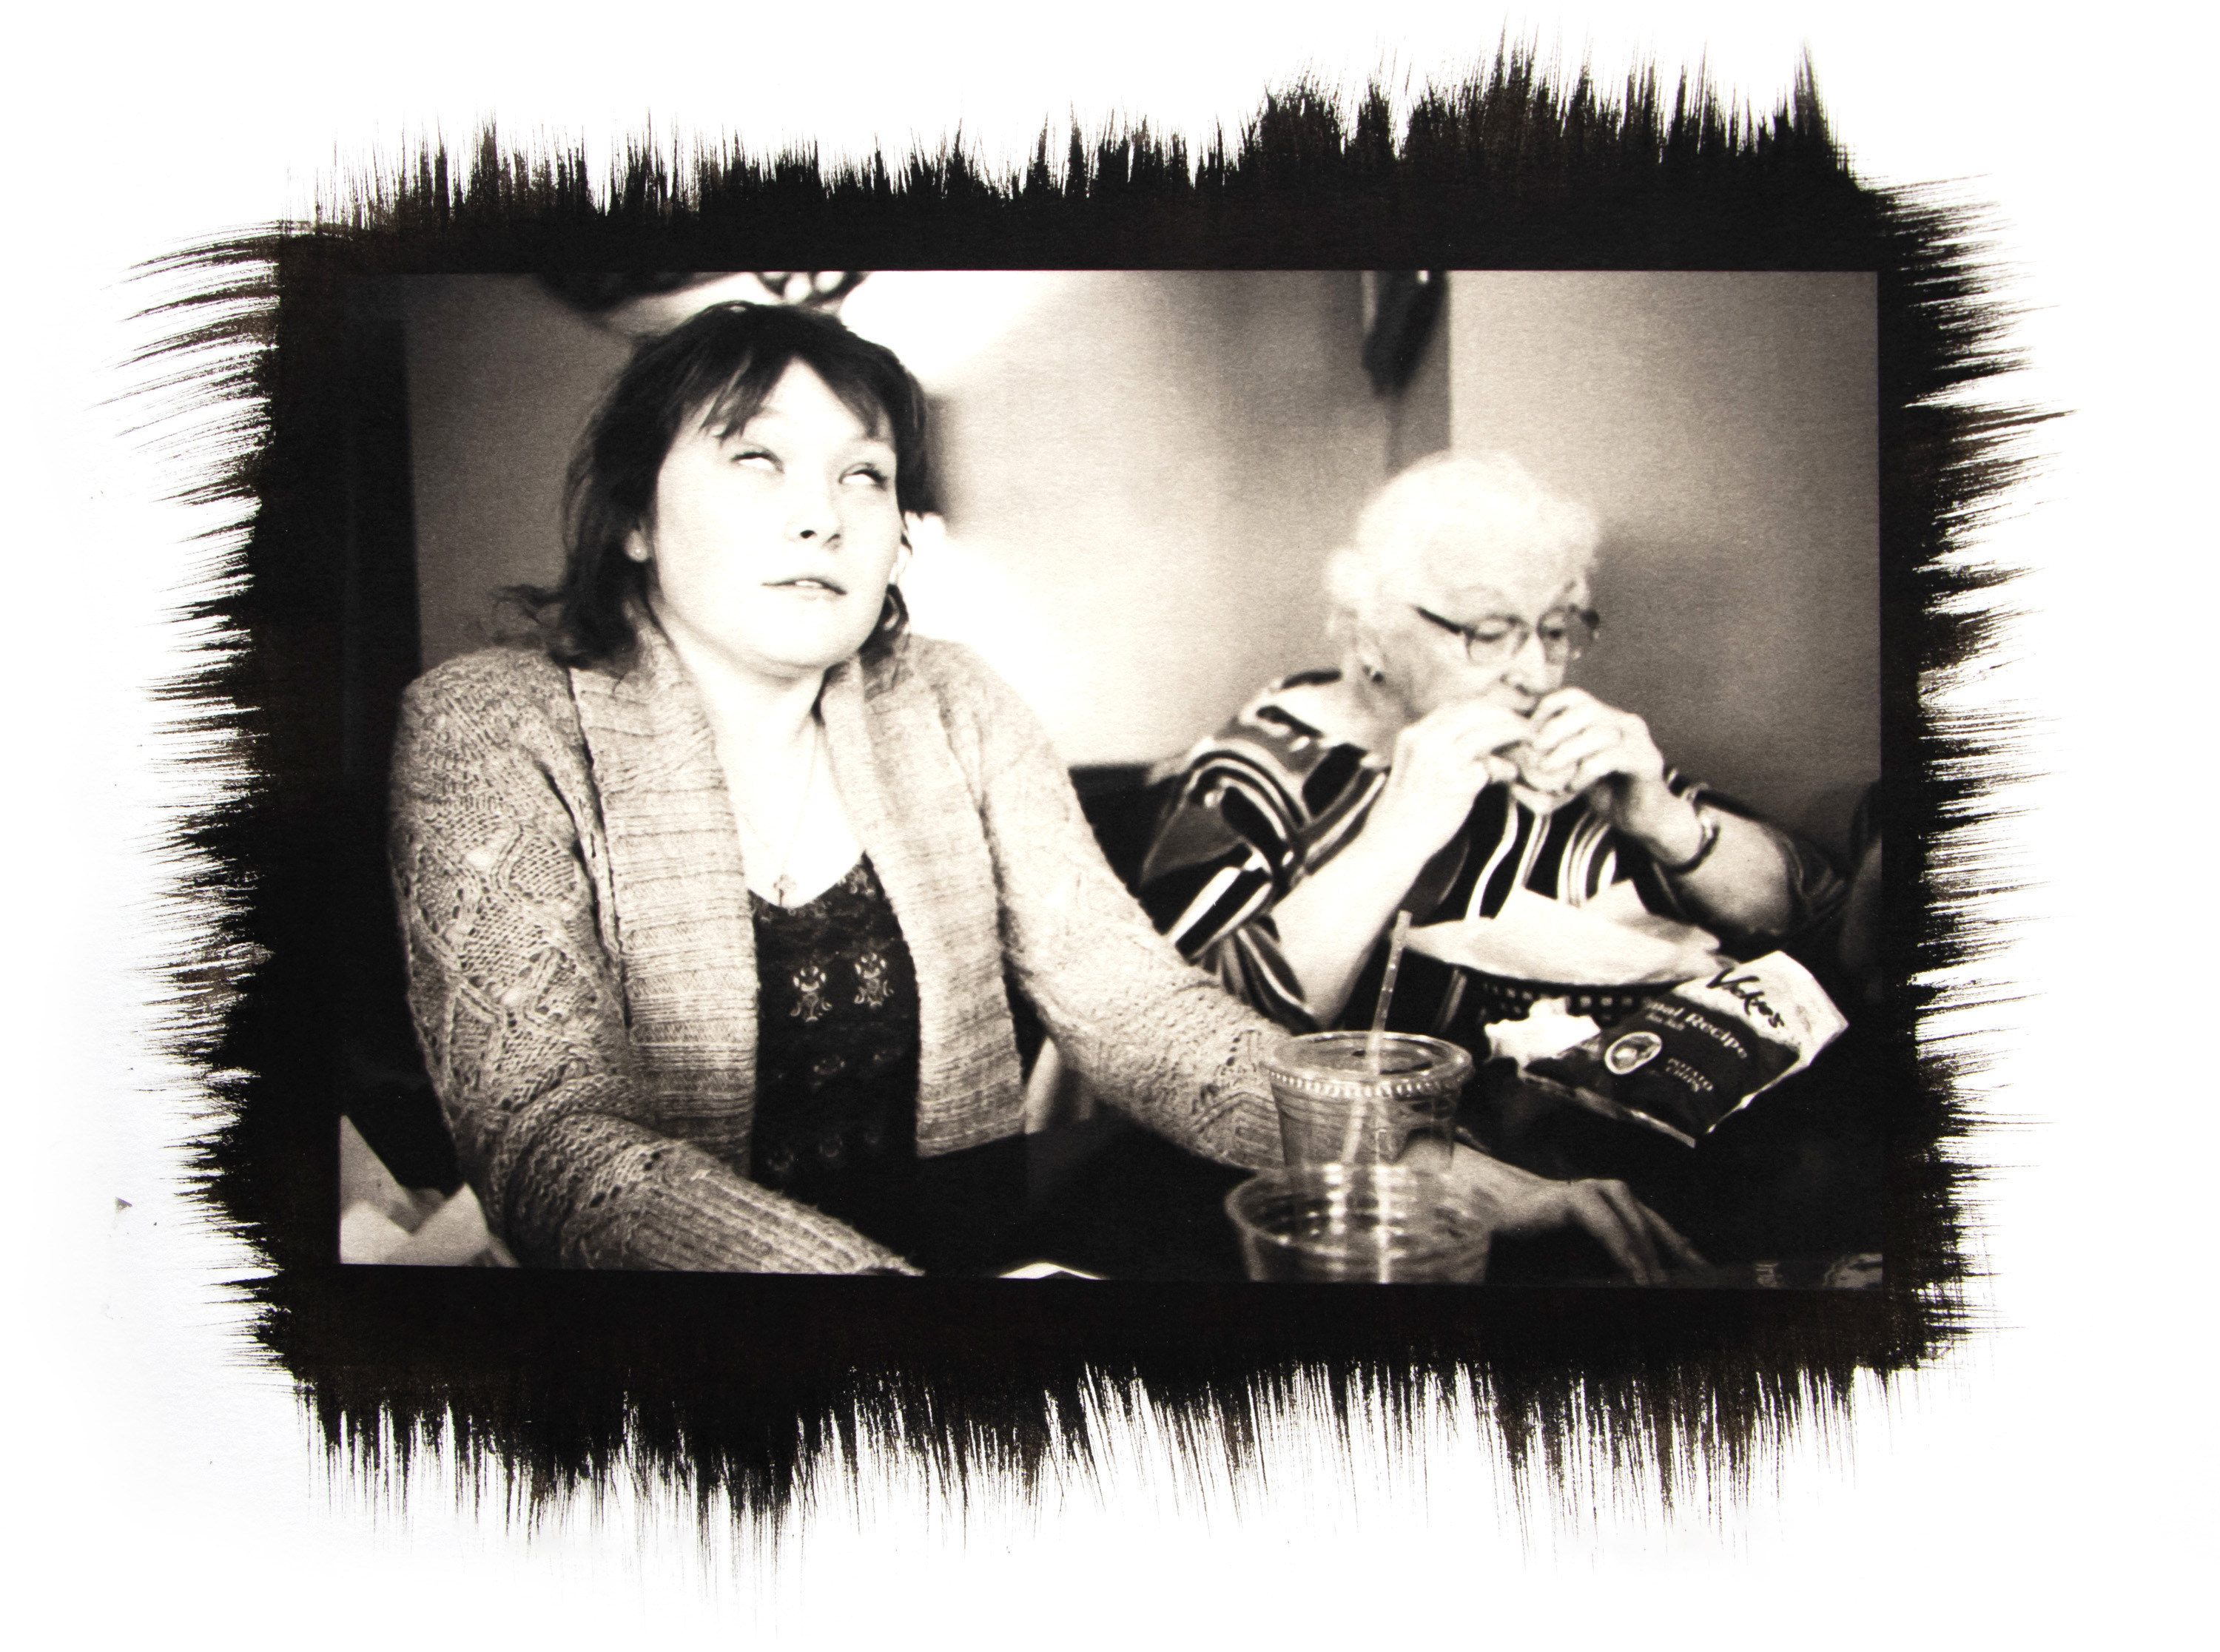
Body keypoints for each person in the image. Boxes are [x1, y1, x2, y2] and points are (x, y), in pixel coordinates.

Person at [390, 306, 1698, 1277]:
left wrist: (1444, 1171)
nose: (825, 515)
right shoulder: (489, 727)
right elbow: (550, 1137)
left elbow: (1135, 1006)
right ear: (632, 515)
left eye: (866, 473)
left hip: (975, 1254)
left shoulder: (953, 700)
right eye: (756, 461)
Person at [1140, 451, 1846, 1040]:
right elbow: (1187, 1043)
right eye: (1489, 631)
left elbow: (1815, 911)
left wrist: (1668, 825)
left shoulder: (1546, 746)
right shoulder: (1247, 773)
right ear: (1372, 627)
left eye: (1554, 628)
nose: (1535, 671)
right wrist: (1397, 837)